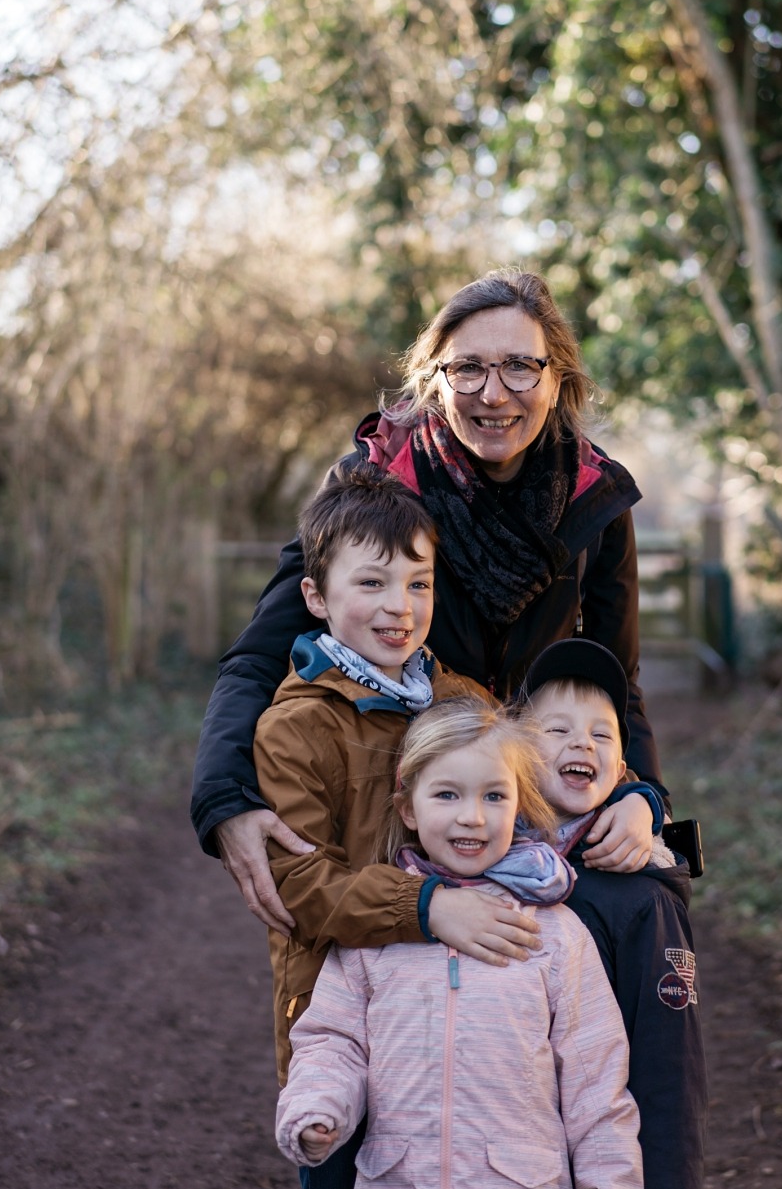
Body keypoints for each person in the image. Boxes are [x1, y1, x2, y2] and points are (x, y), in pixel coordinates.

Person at [196, 270, 663, 941]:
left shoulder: (596, 500)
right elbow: (257, 656)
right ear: (434, 378)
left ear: (557, 377)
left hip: (537, 798)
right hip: (406, 809)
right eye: (467, 367)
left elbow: (618, 685)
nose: (493, 393)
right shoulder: (374, 487)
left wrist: (644, 796)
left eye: (520, 367)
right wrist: (225, 800)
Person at [253, 462, 540, 1189]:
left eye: (418, 584)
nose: (399, 607)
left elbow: (538, 802)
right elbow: (302, 887)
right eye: (372, 583)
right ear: (316, 597)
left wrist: (636, 802)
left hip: (456, 1020)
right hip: (344, 1022)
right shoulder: (296, 727)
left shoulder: (464, 705)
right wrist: (425, 905)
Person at [277, 697, 645, 1189]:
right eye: (447, 794)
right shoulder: (376, 936)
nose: (472, 816)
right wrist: (318, 1106)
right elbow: (332, 1041)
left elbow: (596, 1085)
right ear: (407, 808)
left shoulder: (555, 935)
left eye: (494, 796)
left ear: (519, 805)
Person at [521, 640, 706, 1189]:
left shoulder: (641, 902)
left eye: (604, 733)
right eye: (558, 728)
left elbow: (669, 1069)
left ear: (624, 765)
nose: (584, 744)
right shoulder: (490, 870)